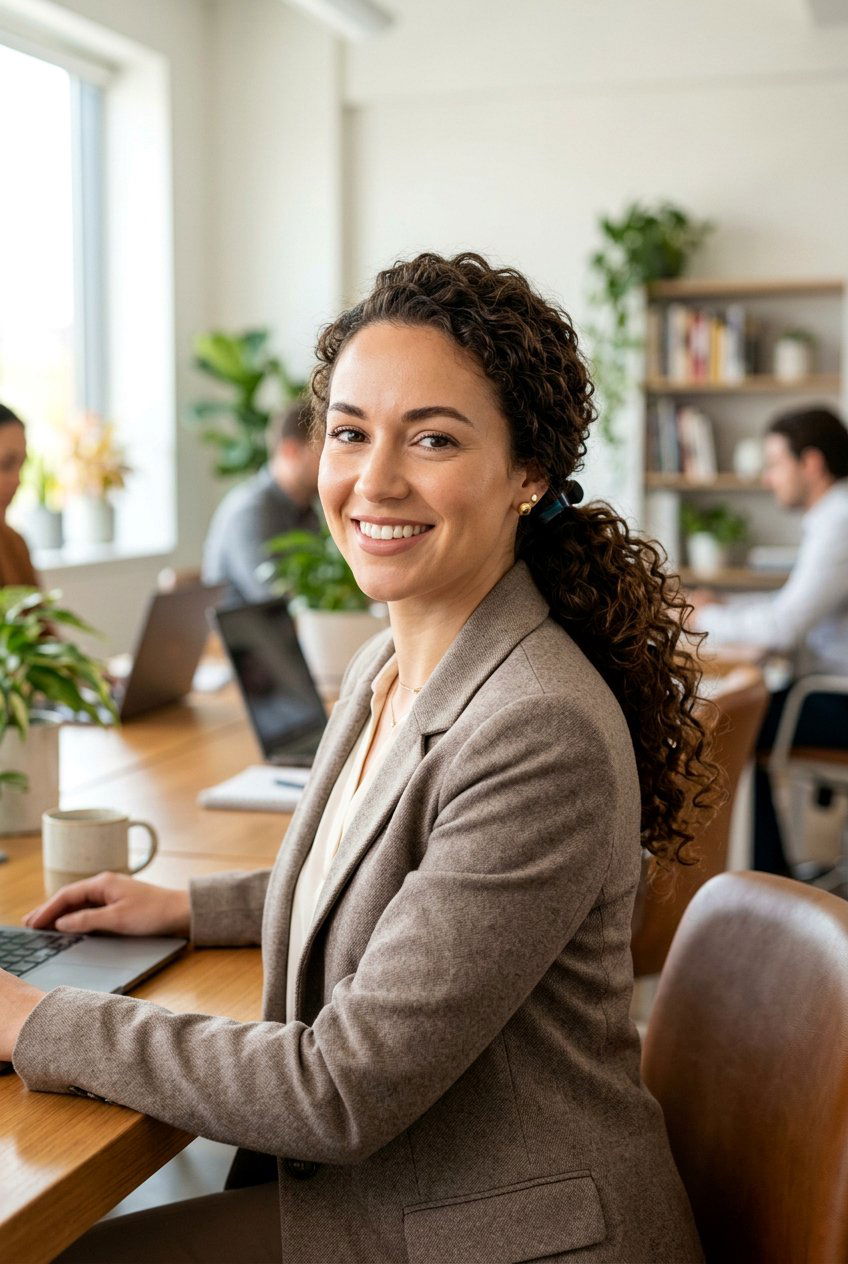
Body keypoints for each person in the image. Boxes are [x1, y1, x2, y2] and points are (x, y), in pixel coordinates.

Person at [1, 253, 715, 1264]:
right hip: (401, 1198)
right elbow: (405, 881)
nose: (373, 480)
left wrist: (37, 1019)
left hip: (490, 1233)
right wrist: (194, 908)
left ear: (528, 473)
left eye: (430, 438)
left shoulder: (534, 726)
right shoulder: (394, 660)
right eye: (349, 432)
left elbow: (334, 1089)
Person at [689, 406, 848, 874]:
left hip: (835, 698)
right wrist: (725, 609)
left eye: (775, 463)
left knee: (729, 725)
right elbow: (792, 607)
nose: (767, 477)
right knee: (739, 713)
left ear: (812, 464)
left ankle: (761, 878)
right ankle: (764, 871)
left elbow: (783, 627)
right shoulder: (833, 515)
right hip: (827, 690)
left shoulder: (839, 519)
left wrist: (702, 618)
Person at [201, 399, 321, 604]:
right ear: (291, 450)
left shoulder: (307, 508)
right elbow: (277, 599)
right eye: (323, 452)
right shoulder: (251, 511)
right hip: (243, 635)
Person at [0, 402, 38, 587]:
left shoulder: (13, 544)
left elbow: (39, 614)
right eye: (5, 464)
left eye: (21, 466)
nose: (17, 481)